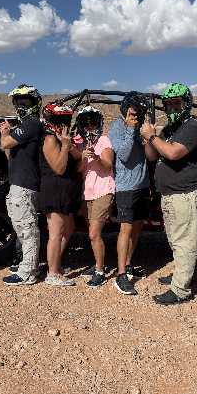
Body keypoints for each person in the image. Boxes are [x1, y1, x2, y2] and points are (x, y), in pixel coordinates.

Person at [140, 83, 197, 305]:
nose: (172, 108)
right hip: (169, 194)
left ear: (186, 103)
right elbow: (152, 156)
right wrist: (148, 137)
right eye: (168, 104)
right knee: (175, 240)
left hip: (183, 193)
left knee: (184, 242)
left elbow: (174, 153)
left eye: (176, 103)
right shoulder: (170, 128)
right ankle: (180, 276)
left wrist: (153, 137)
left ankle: (180, 290)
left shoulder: (192, 126)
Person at [107, 94, 155, 295]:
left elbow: (150, 157)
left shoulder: (142, 126)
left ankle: (128, 264)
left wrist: (149, 137)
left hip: (142, 185)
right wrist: (130, 129)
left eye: (139, 111)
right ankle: (120, 274)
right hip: (126, 186)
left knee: (136, 228)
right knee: (125, 230)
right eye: (133, 110)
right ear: (125, 109)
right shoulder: (117, 127)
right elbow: (124, 155)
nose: (135, 114)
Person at [0, 84, 44, 286]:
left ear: (34, 103)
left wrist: (5, 132)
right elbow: (9, 153)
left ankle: (28, 272)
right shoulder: (23, 126)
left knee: (27, 228)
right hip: (18, 182)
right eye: (17, 102)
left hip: (25, 184)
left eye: (24, 101)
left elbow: (5, 144)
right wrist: (7, 133)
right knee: (21, 225)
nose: (20, 105)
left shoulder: (32, 124)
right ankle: (28, 264)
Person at [40, 102, 83, 286]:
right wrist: (65, 147)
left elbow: (79, 157)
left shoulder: (62, 137)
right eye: (60, 119)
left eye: (67, 119)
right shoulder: (50, 139)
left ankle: (55, 263)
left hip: (66, 190)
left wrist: (69, 145)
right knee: (56, 233)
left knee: (69, 228)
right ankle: (52, 273)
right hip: (54, 190)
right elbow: (58, 168)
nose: (64, 123)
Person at [73, 106, 115, 287]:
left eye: (93, 123)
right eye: (86, 124)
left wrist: (96, 157)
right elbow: (78, 170)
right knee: (92, 233)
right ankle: (98, 263)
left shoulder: (104, 140)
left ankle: (100, 271)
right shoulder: (81, 144)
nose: (90, 127)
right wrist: (83, 156)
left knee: (93, 233)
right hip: (88, 192)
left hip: (103, 190)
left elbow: (108, 165)